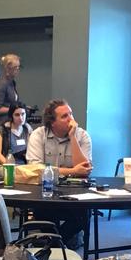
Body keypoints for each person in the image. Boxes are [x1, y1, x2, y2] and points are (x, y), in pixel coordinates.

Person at [27, 99, 94, 251]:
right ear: (52, 122)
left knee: (84, 215)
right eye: (64, 116)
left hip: (75, 194)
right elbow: (35, 169)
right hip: (45, 192)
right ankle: (60, 246)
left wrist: (73, 138)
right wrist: (72, 171)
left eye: (71, 114)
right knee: (43, 211)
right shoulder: (39, 135)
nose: (71, 119)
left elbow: (84, 170)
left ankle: (52, 246)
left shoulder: (82, 136)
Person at [0, 53, 21, 129]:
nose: (18, 70)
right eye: (15, 67)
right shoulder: (2, 85)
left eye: (18, 67)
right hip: (1, 127)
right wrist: (15, 109)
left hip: (10, 125)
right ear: (8, 68)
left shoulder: (12, 83)